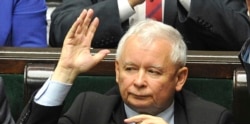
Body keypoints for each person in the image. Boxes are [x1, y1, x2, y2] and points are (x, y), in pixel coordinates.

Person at [9, 9, 232, 124]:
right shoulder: (89, 111)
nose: (139, 82)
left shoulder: (211, 121)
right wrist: (65, 72)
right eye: (130, 69)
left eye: (153, 72)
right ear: (117, 71)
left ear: (180, 78)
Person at [49, 0, 250, 51]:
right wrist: (125, 3)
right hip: (110, 92)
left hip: (192, 94)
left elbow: (242, 37)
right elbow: (61, 31)